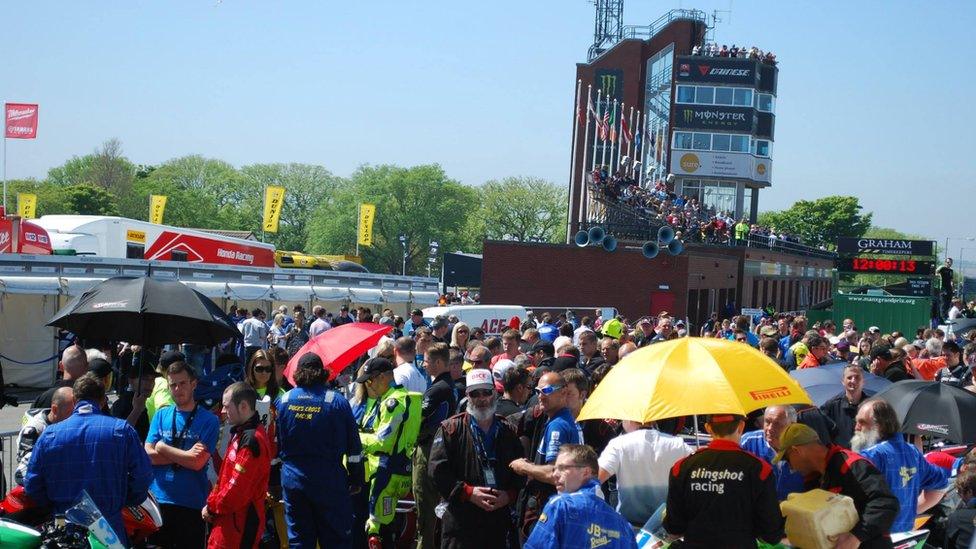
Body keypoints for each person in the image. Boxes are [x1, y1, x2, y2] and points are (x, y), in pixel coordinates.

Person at [25, 374, 152, 546]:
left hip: (64, 527)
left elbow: (32, 484)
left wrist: (54, 506)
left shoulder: (50, 434)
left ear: (75, 399)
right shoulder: (122, 430)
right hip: (109, 527)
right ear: (103, 400)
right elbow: (143, 476)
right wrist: (124, 499)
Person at [428, 369, 525, 548]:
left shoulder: (507, 430)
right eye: (475, 393)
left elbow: (521, 472)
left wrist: (509, 496)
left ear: (495, 394)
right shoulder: (450, 429)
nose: (481, 398)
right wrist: (468, 493)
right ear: (467, 396)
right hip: (461, 522)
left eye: (486, 392)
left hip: (498, 521)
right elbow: (437, 472)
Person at [276, 353, 364, 548]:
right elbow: (354, 448)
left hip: (294, 480)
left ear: (298, 373)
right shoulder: (336, 401)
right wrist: (356, 478)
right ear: (322, 373)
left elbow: (278, 444)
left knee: (299, 540)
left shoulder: (284, 401)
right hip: (329, 481)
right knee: (335, 539)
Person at [663, 414, 784, 547]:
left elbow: (673, 527)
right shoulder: (760, 470)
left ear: (708, 428)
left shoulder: (681, 468)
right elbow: (771, 534)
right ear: (741, 426)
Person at [776, 423, 898, 548]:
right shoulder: (814, 478)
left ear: (797, 451)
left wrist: (855, 536)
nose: (790, 467)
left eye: (787, 459)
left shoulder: (851, 465)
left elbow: (886, 502)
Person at [144, 361, 220, 549]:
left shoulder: (209, 420)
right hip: (158, 502)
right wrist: (184, 455)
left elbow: (197, 463)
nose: (177, 389)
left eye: (182, 383)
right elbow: (147, 454)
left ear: (193, 384)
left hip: (191, 504)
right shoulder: (161, 415)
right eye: (173, 385)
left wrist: (162, 447)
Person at [852, 399, 948, 533]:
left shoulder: (871, 456)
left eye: (862, 422)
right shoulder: (912, 452)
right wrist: (911, 511)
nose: (856, 427)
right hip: (905, 536)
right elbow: (942, 482)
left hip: (875, 539)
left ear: (878, 426)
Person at [510, 371, 584, 541]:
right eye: (537, 391)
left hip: (546, 510)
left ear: (563, 393)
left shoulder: (558, 425)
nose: (541, 396)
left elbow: (554, 474)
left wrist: (525, 467)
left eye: (547, 390)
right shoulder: (557, 420)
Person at [356, 357, 423, 546]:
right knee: (386, 527)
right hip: (395, 470)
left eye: (371, 379)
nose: (369, 384)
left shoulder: (393, 402)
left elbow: (383, 441)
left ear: (385, 377)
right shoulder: (392, 399)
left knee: (376, 531)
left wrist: (355, 439)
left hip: (387, 472)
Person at [524, 445, 637, 549]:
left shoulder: (561, 506)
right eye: (555, 469)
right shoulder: (623, 525)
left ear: (586, 472)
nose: (555, 474)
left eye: (563, 468)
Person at [204, 382, 272, 549]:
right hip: (227, 520)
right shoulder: (240, 433)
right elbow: (223, 478)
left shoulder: (251, 439)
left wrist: (212, 508)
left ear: (243, 406)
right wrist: (212, 503)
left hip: (240, 523)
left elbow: (237, 489)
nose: (222, 411)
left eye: (226, 406)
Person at [597, 419, 692, 526]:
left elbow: (596, 479)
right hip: (667, 527)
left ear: (629, 419)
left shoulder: (618, 444)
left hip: (628, 526)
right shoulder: (678, 444)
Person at [413, 343, 458, 549]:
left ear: (439, 362)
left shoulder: (439, 389)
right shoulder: (450, 385)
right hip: (442, 449)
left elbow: (418, 419)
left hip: (429, 449)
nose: (423, 364)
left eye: (427, 360)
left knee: (425, 506)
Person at [739, 405, 806, 501]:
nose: (769, 428)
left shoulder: (804, 446)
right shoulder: (747, 442)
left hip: (795, 509)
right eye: (767, 422)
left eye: (777, 424)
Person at [15, 387, 75, 486]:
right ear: (55, 409)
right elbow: (25, 468)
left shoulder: (68, 425)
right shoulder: (33, 430)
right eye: (70, 413)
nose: (74, 417)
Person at [820, 364, 870, 448]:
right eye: (849, 378)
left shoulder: (871, 405)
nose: (853, 381)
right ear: (843, 381)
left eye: (857, 377)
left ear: (863, 382)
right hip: (842, 457)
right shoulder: (831, 405)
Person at [33, 344, 87, 409]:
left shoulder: (45, 398)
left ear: (61, 366)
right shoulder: (92, 398)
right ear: (87, 367)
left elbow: (30, 417)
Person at [946, 471, 976, 548]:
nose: (959, 496)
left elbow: (947, 544)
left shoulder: (958, 517)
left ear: (969, 492)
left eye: (959, 492)